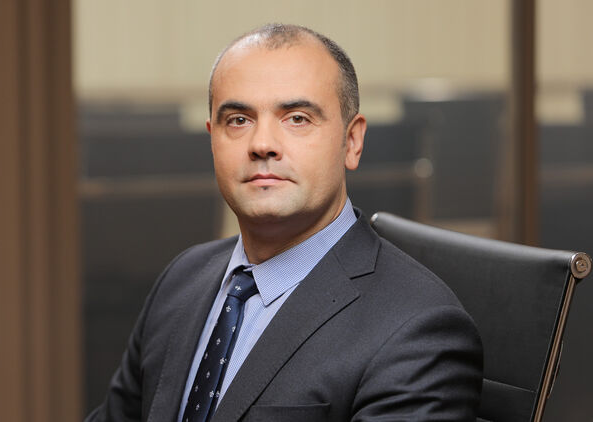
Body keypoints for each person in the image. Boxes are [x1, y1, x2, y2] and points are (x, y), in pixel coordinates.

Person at [86, 23, 482, 422]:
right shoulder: (182, 279)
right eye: (238, 120)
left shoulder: (417, 330)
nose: (262, 144)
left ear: (352, 141)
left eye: (297, 118)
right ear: (212, 139)